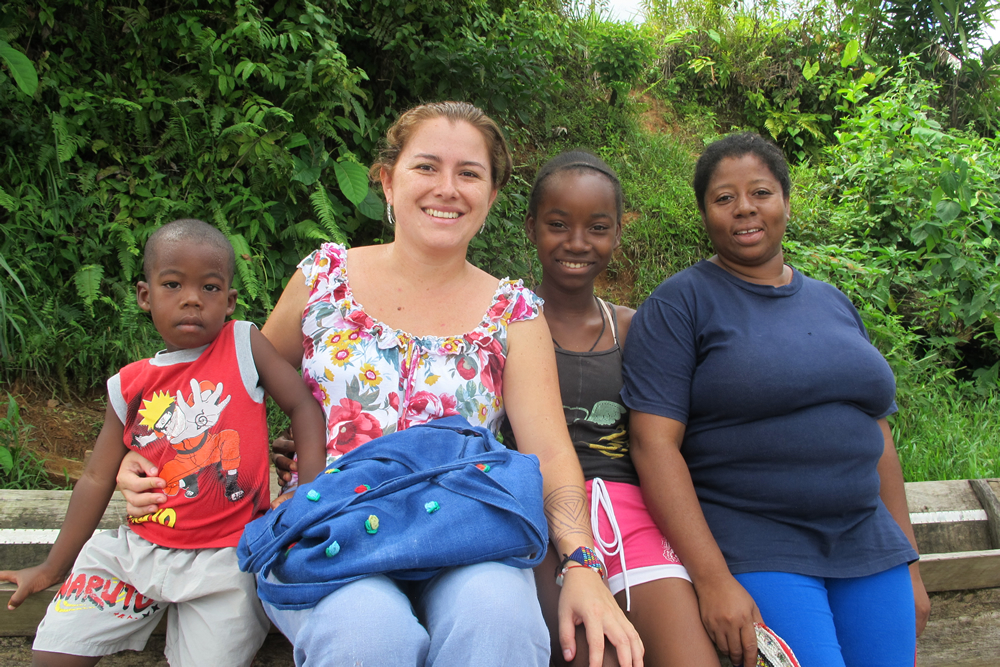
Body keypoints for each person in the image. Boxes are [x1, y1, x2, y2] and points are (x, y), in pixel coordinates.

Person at [117, 102, 643, 667]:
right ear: (388, 181)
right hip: (328, 527)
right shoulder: (323, 281)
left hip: (468, 529)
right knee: (368, 636)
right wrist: (144, 459)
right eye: (426, 167)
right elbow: (224, 387)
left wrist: (582, 563)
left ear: (491, 197)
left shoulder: (514, 313)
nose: (447, 188)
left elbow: (551, 453)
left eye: (469, 173)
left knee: (499, 622)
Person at [620, 133, 931, 667]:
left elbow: (876, 434)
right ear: (705, 214)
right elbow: (654, 446)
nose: (744, 208)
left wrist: (910, 564)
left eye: (761, 192)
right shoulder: (679, 305)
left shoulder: (833, 301)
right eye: (724, 198)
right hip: (758, 544)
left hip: (869, 544)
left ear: (786, 201)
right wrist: (713, 580)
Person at [0, 219, 328, 667]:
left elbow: (303, 407)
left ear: (230, 301)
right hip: (136, 553)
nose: (192, 298)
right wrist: (51, 567)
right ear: (144, 295)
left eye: (210, 287)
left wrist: (309, 496)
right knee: (53, 656)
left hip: (225, 562)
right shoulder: (129, 384)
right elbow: (96, 477)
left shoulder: (243, 345)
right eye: (173, 284)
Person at [501, 150, 720, 667]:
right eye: (558, 225)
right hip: (538, 518)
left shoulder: (633, 329)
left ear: (618, 234)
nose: (577, 243)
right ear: (531, 228)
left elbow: (669, 434)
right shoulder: (501, 325)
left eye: (597, 228)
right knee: (586, 652)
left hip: (634, 515)